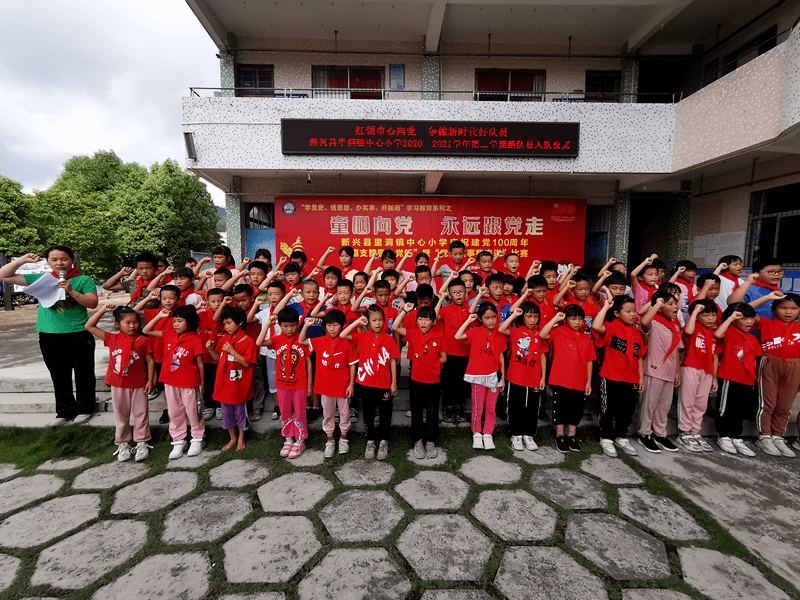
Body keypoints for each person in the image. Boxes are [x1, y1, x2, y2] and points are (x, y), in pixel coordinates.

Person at [0, 249, 99, 426]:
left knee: (83, 373)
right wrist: (22, 260)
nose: (59, 263)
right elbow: (4, 275)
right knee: (59, 374)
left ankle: (84, 408)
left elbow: (92, 303)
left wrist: (71, 291)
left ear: (72, 261)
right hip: (49, 334)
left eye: (64, 259)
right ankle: (64, 410)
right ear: (48, 262)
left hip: (78, 332)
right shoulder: (41, 280)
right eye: (54, 259)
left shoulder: (83, 280)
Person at [85, 304, 154, 462]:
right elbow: (89, 325)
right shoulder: (111, 338)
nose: (132, 326)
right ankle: (123, 443)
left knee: (140, 413)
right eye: (127, 322)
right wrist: (102, 310)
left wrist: (150, 380)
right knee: (121, 415)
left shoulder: (143, 340)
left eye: (136, 322)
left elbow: (150, 361)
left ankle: (141, 442)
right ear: (118, 324)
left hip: (138, 383)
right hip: (118, 384)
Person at [142, 305, 206, 460]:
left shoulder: (195, 339)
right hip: (170, 382)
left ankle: (197, 438)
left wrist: (202, 383)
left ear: (189, 322)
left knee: (193, 410)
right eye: (174, 321)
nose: (175, 324)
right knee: (174, 411)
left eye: (179, 321)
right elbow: (146, 330)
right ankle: (178, 440)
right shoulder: (169, 334)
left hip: (190, 382)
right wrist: (159, 317)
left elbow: (200, 363)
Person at [342, 306, 400, 460]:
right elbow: (343, 334)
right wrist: (357, 323)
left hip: (384, 385)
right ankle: (370, 440)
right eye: (374, 320)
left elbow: (393, 361)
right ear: (368, 321)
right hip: (366, 383)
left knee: (385, 413)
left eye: (381, 320)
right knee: (368, 413)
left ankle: (383, 440)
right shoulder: (361, 337)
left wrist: (394, 382)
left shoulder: (389, 339)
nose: (378, 323)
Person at [592, 296, 646, 458]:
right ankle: (606, 437)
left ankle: (621, 436)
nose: (632, 314)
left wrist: (641, 377)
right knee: (608, 409)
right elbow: (596, 326)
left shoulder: (636, 333)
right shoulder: (610, 328)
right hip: (611, 376)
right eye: (628, 311)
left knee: (627, 410)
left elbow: (639, 356)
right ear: (616, 313)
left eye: (634, 311)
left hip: (631, 378)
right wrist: (605, 307)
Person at [747, 291, 800, 457]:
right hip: (769, 363)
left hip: (795, 366)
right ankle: (764, 437)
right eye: (783, 308)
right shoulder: (765, 323)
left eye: (794, 308)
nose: (789, 312)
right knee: (767, 404)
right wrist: (768, 298)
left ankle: (777, 437)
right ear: (774, 309)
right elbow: (744, 311)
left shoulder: (798, 329)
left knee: (785, 406)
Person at [257, 307, 313, 459]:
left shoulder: (302, 339)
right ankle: (288, 438)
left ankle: (300, 439)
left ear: (297, 324)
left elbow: (308, 362)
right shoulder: (276, 339)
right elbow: (259, 342)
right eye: (286, 326)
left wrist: (309, 384)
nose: (289, 329)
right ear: (280, 325)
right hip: (282, 384)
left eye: (293, 325)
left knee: (300, 412)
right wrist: (268, 324)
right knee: (285, 412)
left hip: (299, 384)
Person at [302, 309, 357, 458]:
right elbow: (301, 341)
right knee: (328, 412)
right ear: (325, 326)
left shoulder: (347, 343)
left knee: (344, 412)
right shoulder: (320, 341)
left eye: (336, 325)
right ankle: (330, 438)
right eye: (329, 325)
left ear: (343, 325)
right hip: (325, 386)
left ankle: (344, 436)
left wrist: (351, 384)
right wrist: (306, 325)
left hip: (343, 385)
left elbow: (352, 364)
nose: (332, 328)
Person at [539, 306, 595, 453]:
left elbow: (590, 360)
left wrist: (588, 381)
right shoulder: (558, 332)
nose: (577, 322)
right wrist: (555, 320)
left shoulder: (586, 338)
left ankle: (572, 435)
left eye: (580, 319)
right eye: (573, 318)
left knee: (576, 409)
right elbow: (542, 334)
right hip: (560, 378)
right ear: (566, 319)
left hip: (579, 380)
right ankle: (560, 435)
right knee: (561, 408)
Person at [393, 304, 446, 459]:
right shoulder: (412, 333)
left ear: (433, 322)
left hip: (433, 381)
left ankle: (430, 440)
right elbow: (396, 326)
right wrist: (404, 311)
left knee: (432, 411)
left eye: (427, 319)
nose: (423, 323)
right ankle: (417, 440)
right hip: (416, 380)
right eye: (420, 319)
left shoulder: (439, 337)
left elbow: (444, 357)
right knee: (416, 411)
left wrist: (433, 362)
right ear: (416, 322)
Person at [455, 302, 507, 451]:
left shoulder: (500, 334)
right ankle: (477, 433)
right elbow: (458, 336)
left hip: (494, 376)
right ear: (480, 319)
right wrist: (468, 321)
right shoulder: (475, 332)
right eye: (487, 318)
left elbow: (501, 356)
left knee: (491, 407)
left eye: (494, 317)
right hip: (478, 376)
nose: (491, 321)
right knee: (478, 407)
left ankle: (488, 434)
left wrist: (502, 377)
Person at [206, 306, 258, 452]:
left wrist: (232, 351)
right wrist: (210, 349)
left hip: (240, 383)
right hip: (224, 382)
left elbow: (247, 362)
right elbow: (218, 358)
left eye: (229, 323)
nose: (226, 326)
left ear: (240, 322)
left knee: (241, 410)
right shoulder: (224, 340)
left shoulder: (248, 342)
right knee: (226, 411)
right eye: (224, 323)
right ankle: (232, 437)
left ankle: (241, 436)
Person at [637, 291, 683, 453]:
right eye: (670, 304)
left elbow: (676, 351)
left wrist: (677, 372)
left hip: (669, 373)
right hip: (653, 369)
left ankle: (660, 434)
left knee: (663, 406)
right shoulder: (654, 323)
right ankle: (645, 434)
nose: (675, 307)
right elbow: (644, 321)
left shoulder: (675, 326)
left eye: (675, 303)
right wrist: (657, 303)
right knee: (649, 405)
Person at [498, 303, 548, 452]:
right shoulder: (515, 332)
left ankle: (529, 435)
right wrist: (514, 315)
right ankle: (516, 434)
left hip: (534, 378)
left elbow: (543, 356)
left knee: (533, 408)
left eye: (536, 316)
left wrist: (543, 376)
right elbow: (501, 329)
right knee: (515, 407)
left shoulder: (541, 334)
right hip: (515, 377)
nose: (533, 320)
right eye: (529, 316)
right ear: (522, 317)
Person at [713, 303, 761, 456]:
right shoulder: (728, 332)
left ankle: (735, 436)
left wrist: (754, 381)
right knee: (726, 408)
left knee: (741, 410)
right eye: (744, 318)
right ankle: (723, 435)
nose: (749, 322)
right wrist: (731, 318)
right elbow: (717, 335)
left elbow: (754, 360)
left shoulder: (752, 338)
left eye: (751, 318)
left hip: (747, 380)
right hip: (729, 377)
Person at [678, 300, 720, 453]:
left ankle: (695, 431)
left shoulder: (715, 333)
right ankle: (684, 432)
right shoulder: (694, 328)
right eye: (706, 315)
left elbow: (715, 356)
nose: (710, 318)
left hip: (707, 371)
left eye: (713, 315)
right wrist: (694, 313)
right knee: (687, 401)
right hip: (691, 367)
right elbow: (687, 332)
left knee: (701, 403)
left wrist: (714, 378)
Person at [440, 277, 474, 424]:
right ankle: (448, 407)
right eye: (454, 292)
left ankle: (460, 407)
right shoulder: (445, 310)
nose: (458, 295)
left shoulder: (471, 311)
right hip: (448, 353)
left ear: (466, 293)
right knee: (449, 382)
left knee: (461, 382)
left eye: (461, 291)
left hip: (466, 353)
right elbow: (434, 318)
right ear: (450, 294)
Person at [252, 281, 286, 420]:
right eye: (270, 294)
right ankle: (278, 405)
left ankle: (286, 404)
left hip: (284, 351)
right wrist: (256, 304)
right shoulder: (264, 311)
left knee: (286, 377)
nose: (273, 297)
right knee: (273, 380)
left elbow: (277, 311)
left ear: (283, 295)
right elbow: (249, 319)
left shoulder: (286, 311)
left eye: (276, 294)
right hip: (269, 352)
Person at [198, 288, 227, 421]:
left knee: (221, 382)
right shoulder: (202, 316)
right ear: (207, 301)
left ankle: (221, 405)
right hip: (206, 357)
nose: (216, 304)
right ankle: (209, 405)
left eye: (219, 301)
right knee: (208, 382)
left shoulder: (227, 317)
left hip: (223, 357)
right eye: (213, 301)